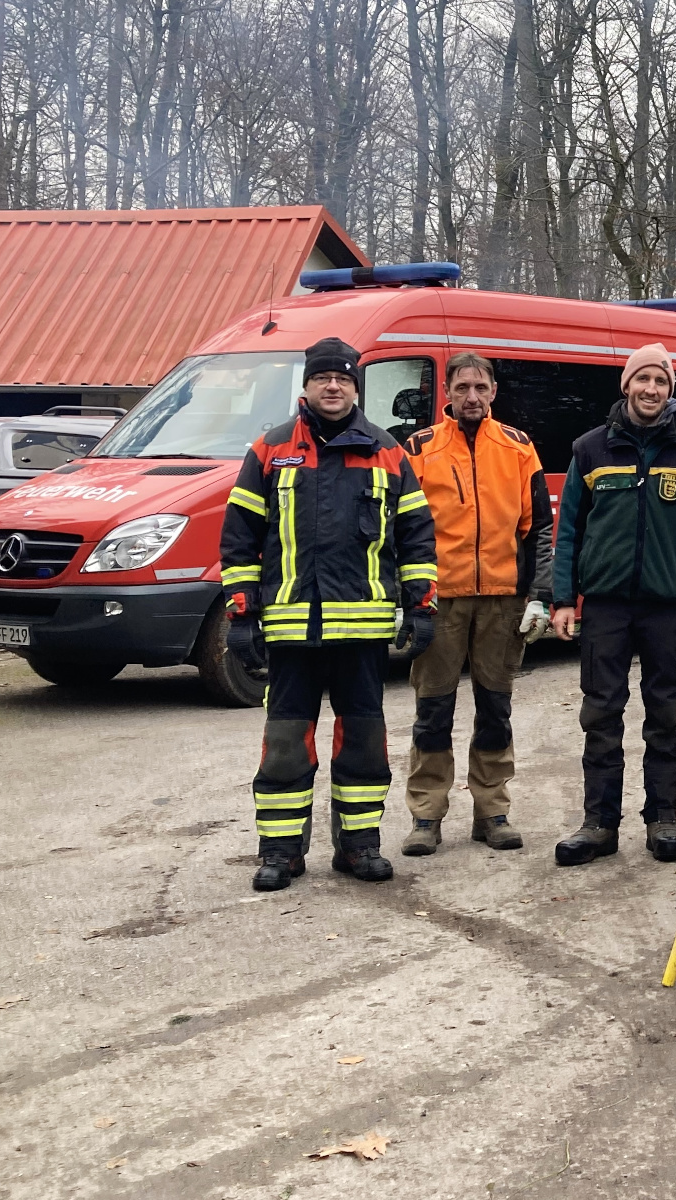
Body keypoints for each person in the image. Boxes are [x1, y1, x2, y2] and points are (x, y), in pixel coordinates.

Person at [221, 337, 438, 892]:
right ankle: (280, 853)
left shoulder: (388, 452)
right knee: (286, 747)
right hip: (290, 633)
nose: (333, 387)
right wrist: (241, 615)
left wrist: (421, 604)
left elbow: (415, 537)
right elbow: (240, 540)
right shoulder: (269, 451)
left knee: (363, 745)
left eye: (343, 379)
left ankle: (360, 847)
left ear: (356, 388)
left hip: (363, 637)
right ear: (307, 387)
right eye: (323, 379)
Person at [549, 343, 676, 865]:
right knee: (601, 715)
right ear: (626, 385)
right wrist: (563, 599)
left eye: (662, 382)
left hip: (667, 607)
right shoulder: (589, 448)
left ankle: (663, 819)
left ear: (671, 390)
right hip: (604, 606)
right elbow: (569, 535)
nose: (652, 389)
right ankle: (599, 824)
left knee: (664, 715)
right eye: (643, 379)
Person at [398, 352, 554, 857]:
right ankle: (426, 814)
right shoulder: (419, 449)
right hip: (439, 600)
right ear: (446, 392)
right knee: (432, 709)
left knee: (495, 709)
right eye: (462, 387)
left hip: (502, 602)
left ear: (493, 392)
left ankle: (493, 809)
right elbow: (401, 529)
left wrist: (541, 595)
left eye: (481, 387)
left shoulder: (517, 447)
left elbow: (539, 530)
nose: (472, 397)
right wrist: (407, 598)